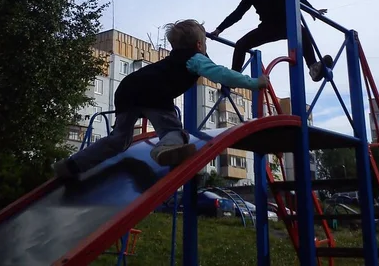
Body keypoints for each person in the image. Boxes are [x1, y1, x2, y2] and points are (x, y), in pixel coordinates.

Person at [53, 19, 269, 179]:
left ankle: (71, 165)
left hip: (128, 88)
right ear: (200, 45)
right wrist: (254, 83)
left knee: (119, 140)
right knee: (174, 132)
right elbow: (222, 73)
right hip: (154, 92)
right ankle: (163, 149)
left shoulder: (174, 58)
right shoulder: (195, 59)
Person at [210, 0, 333, 82]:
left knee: (303, 33)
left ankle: (313, 67)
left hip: (286, 25)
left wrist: (311, 10)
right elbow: (238, 13)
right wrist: (219, 29)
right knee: (241, 44)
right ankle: (234, 78)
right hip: (267, 28)